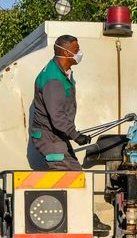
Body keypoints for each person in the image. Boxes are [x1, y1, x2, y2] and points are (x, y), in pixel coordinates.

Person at [30, 34, 91, 170]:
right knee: (70, 176)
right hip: (50, 137)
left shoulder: (62, 73)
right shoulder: (53, 79)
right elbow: (57, 115)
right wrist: (76, 135)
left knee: (76, 173)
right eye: (76, 49)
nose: (79, 53)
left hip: (56, 136)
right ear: (66, 52)